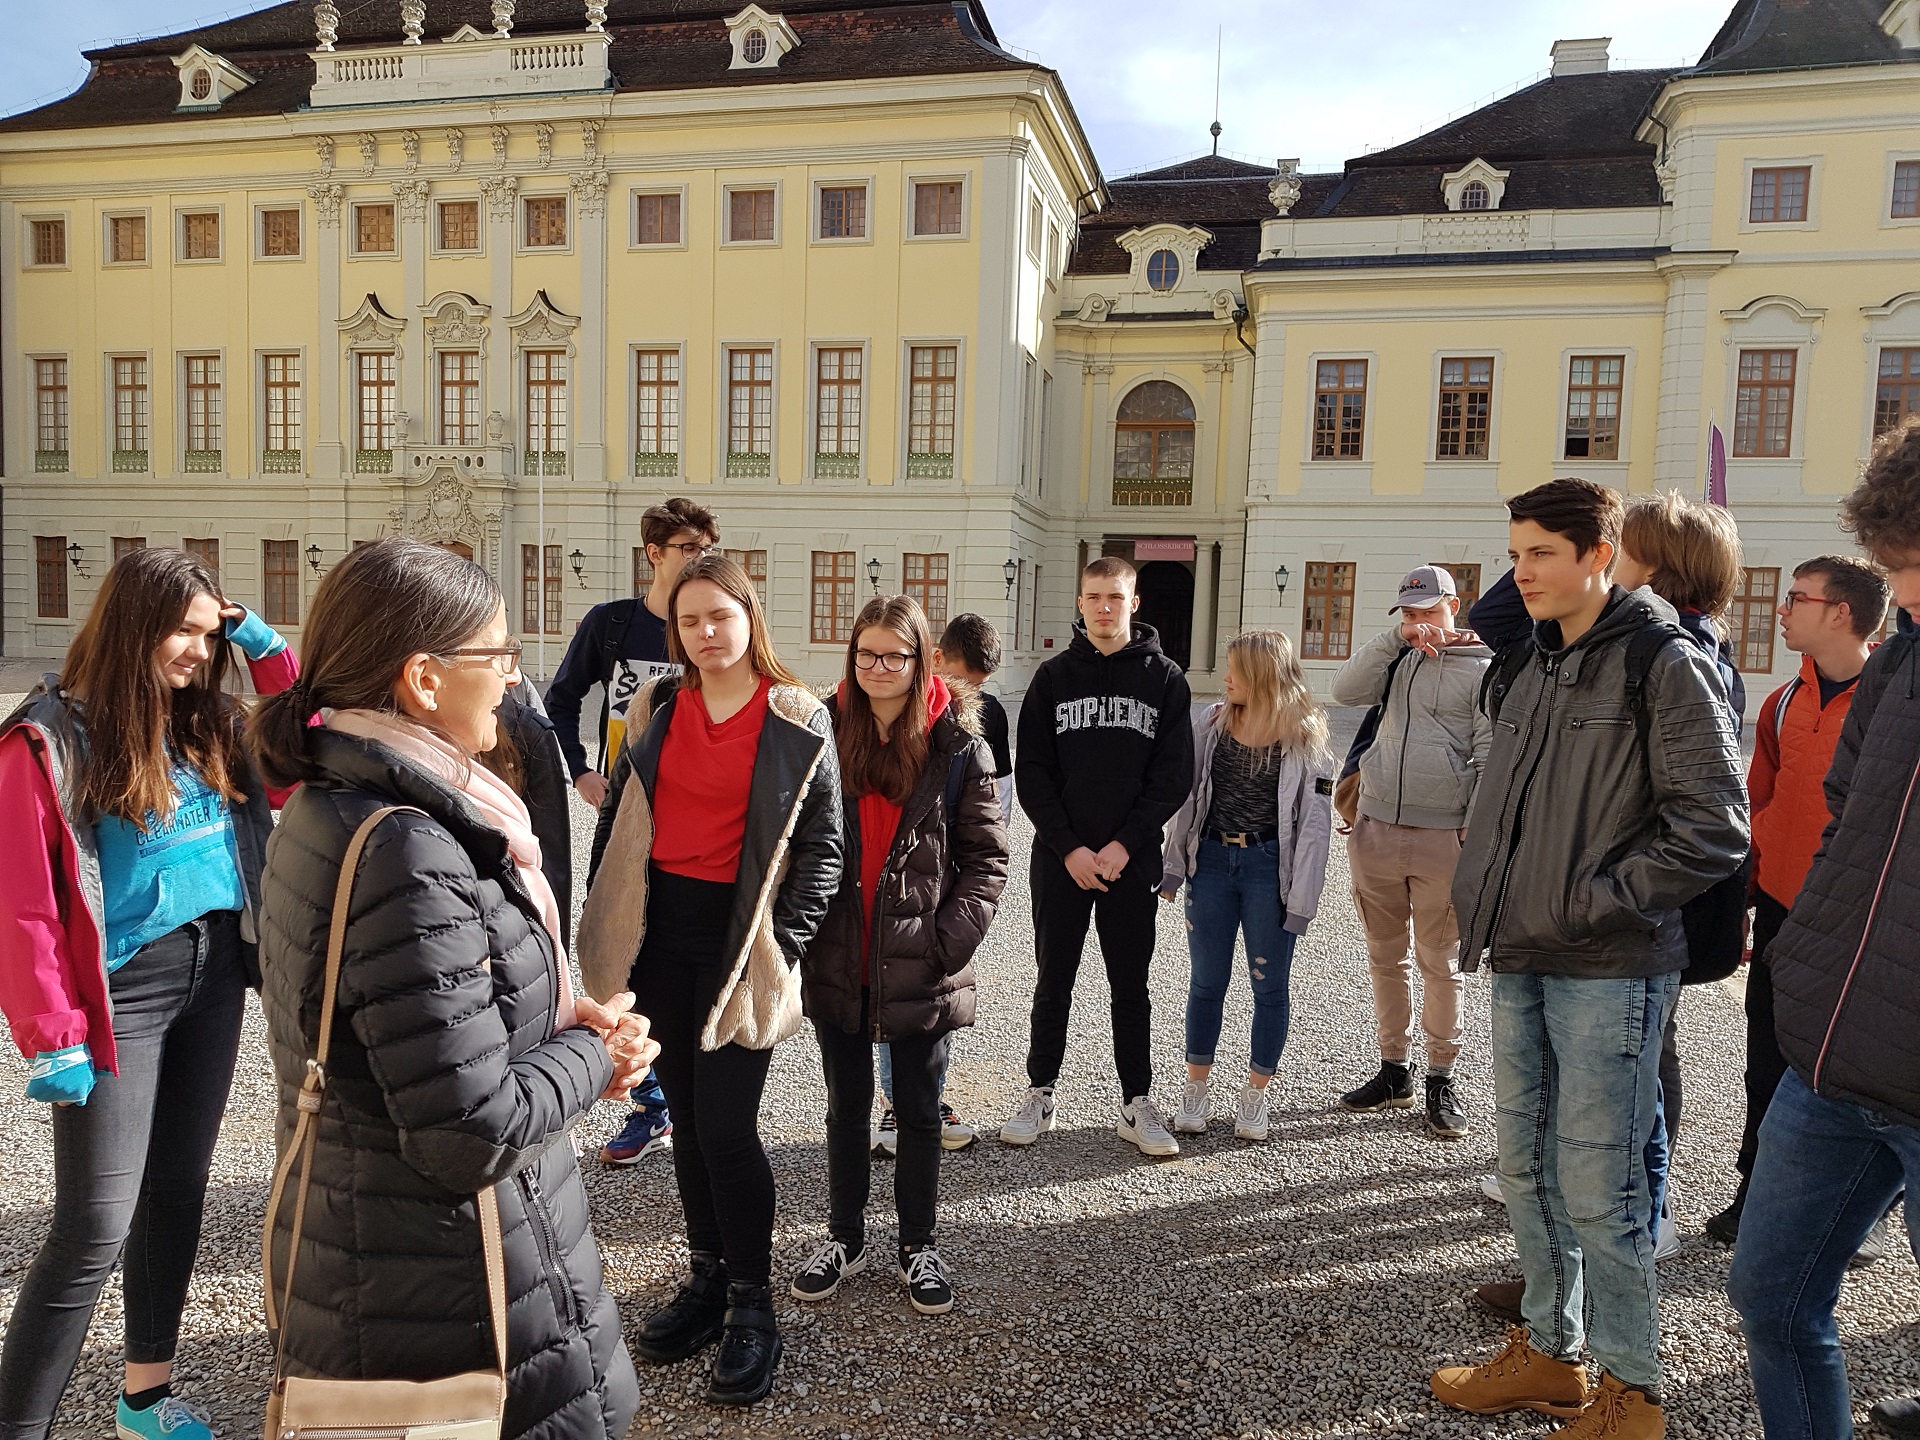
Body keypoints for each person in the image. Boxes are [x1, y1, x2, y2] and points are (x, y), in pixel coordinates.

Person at [249, 538, 646, 1440]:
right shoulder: (404, 841)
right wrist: (596, 1051)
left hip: (397, 1251)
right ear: (423, 680)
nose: (514, 681)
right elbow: (470, 1130)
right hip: (444, 1284)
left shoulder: (333, 798)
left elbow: (425, 1041)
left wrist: (560, 1033)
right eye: (498, 655)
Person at [1430, 478, 1747, 1440]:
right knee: (1524, 1167)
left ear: (1598, 557)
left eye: (1542, 554)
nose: (1521, 572)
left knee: (1601, 1185)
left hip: (1608, 964)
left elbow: (1715, 828)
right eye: (1517, 551)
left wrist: (1593, 902)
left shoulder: (1663, 660)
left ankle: (1634, 1392)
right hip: (1518, 948)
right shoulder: (1534, 662)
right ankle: (1550, 1357)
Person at [0, 547, 295, 1440]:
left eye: (212, 637)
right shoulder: (50, 737)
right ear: (134, 623)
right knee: (93, 1224)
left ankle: (143, 1403)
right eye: (186, 633)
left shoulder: (213, 721)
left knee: (178, 1192)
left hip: (212, 977)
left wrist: (256, 634)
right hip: (119, 995)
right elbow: (24, 900)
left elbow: (297, 749)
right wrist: (52, 1030)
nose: (200, 655)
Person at [576, 552, 842, 1406]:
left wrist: (784, 946)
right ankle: (706, 1278)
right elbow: (620, 812)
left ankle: (752, 1304)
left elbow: (824, 852)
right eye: (689, 621)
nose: (705, 633)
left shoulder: (795, 713)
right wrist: (599, 910)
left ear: (748, 617)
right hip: (659, 939)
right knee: (686, 1124)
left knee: (728, 1129)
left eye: (718, 617)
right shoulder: (659, 704)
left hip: (739, 940)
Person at [1728, 420, 1920, 1440]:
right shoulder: (1897, 667)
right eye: (1893, 567)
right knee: (1770, 1298)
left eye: (1915, 566)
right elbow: (1844, 819)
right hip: (1834, 1058)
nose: (1905, 593)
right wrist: (1805, 953)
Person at [790, 596, 1009, 1314]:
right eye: (866, 655)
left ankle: (918, 1244)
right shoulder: (823, 734)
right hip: (840, 955)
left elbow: (986, 860)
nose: (879, 669)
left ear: (922, 662)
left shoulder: (958, 748)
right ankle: (845, 1237)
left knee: (918, 1108)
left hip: (924, 961)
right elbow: (796, 844)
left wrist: (948, 943)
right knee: (846, 1106)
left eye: (895, 656)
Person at [1707, 555, 1888, 1246]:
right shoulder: (1783, 701)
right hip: (1785, 912)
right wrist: (1746, 895)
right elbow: (1759, 802)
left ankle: (1859, 1220)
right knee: (1768, 1060)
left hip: (1859, 923)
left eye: (1796, 598)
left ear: (1840, 612)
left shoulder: (1893, 700)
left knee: (1852, 1075)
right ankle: (1756, 1191)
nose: (1780, 609)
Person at [999, 556, 1194, 1157]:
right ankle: (1039, 1091)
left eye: (1115, 597)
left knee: (1130, 984)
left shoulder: (1164, 679)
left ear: (1135, 603)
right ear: (1079, 604)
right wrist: (1069, 847)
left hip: (1130, 862)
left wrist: (1124, 844)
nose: (1104, 608)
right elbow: (1031, 772)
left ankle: (1137, 1100)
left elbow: (1173, 776)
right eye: (1093, 597)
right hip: (1062, 861)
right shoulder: (1052, 678)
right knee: (1053, 980)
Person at [547, 498, 719, 1168]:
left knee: (678, 953)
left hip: (691, 820)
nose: (700, 558)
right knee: (613, 951)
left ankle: (683, 1093)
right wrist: (582, 773)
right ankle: (650, 1100)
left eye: (709, 547)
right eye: (688, 548)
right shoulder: (613, 626)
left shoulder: (710, 628)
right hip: (622, 817)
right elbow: (560, 701)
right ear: (654, 553)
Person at [1329, 565, 1492, 1139]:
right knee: (1383, 956)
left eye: (1428, 610)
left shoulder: (1485, 669)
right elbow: (1344, 691)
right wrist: (1395, 640)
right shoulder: (1396, 659)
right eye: (1409, 612)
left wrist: (1470, 828)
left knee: (1440, 963)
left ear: (1454, 604)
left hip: (1441, 836)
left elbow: (1490, 751)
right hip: (1376, 824)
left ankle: (1442, 1076)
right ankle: (1393, 1067)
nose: (1419, 621)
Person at [1160, 630, 1334, 1142]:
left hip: (1267, 870)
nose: (1225, 677)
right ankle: (1196, 1089)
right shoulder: (1210, 724)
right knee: (1206, 982)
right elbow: (1185, 798)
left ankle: (1255, 1095)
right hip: (1211, 862)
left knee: (1269, 988)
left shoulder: (1307, 740)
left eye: (1235, 669)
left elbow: (1316, 828)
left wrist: (1301, 902)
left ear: (1260, 676)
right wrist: (1173, 870)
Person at [867, 611, 1014, 1159]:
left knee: (932, 997)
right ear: (936, 657)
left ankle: (923, 1098)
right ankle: (892, 1103)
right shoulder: (869, 716)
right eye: (960, 674)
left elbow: (997, 807)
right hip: (897, 885)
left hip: (946, 884)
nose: (966, 689)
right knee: (890, 992)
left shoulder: (983, 718)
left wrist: (963, 917)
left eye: (976, 682)